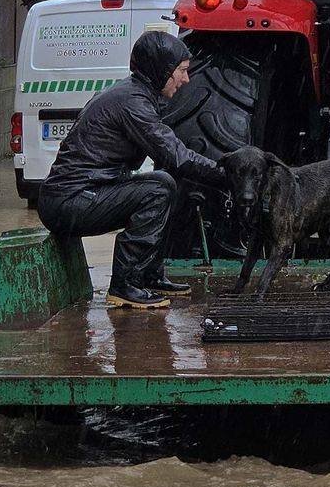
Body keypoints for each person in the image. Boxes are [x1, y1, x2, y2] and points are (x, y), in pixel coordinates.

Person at [38, 31, 224, 309]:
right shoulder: (133, 103)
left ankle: (149, 274)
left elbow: (172, 157)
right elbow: (176, 155)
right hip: (69, 201)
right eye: (182, 71)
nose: (186, 79)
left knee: (166, 182)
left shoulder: (134, 93)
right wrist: (227, 174)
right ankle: (124, 284)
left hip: (84, 193)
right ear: (162, 71)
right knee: (159, 188)